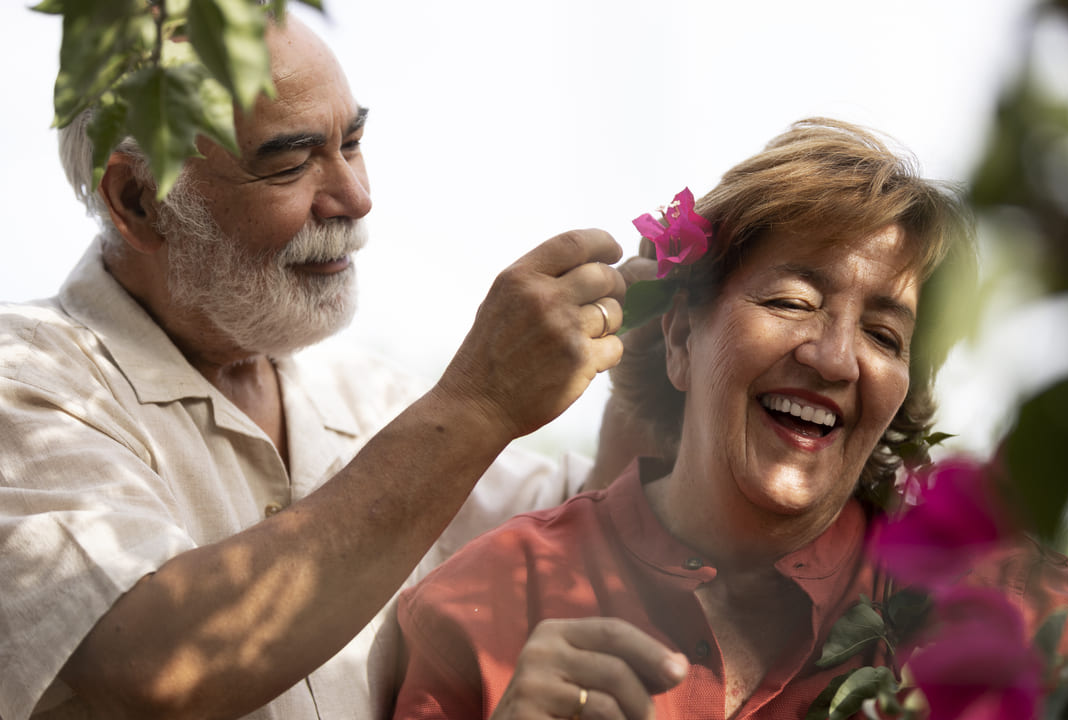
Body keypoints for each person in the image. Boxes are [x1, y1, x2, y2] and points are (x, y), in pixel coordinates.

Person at [0, 10, 640, 720]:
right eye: (289, 162)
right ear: (138, 200)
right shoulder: (28, 384)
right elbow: (159, 663)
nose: (355, 198)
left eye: (353, 142)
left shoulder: (365, 395)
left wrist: (665, 362)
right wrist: (479, 405)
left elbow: (595, 518)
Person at [391, 118, 1068, 719]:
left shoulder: (1013, 607)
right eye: (790, 301)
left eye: (883, 335)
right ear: (682, 340)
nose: (835, 358)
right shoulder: (486, 602)